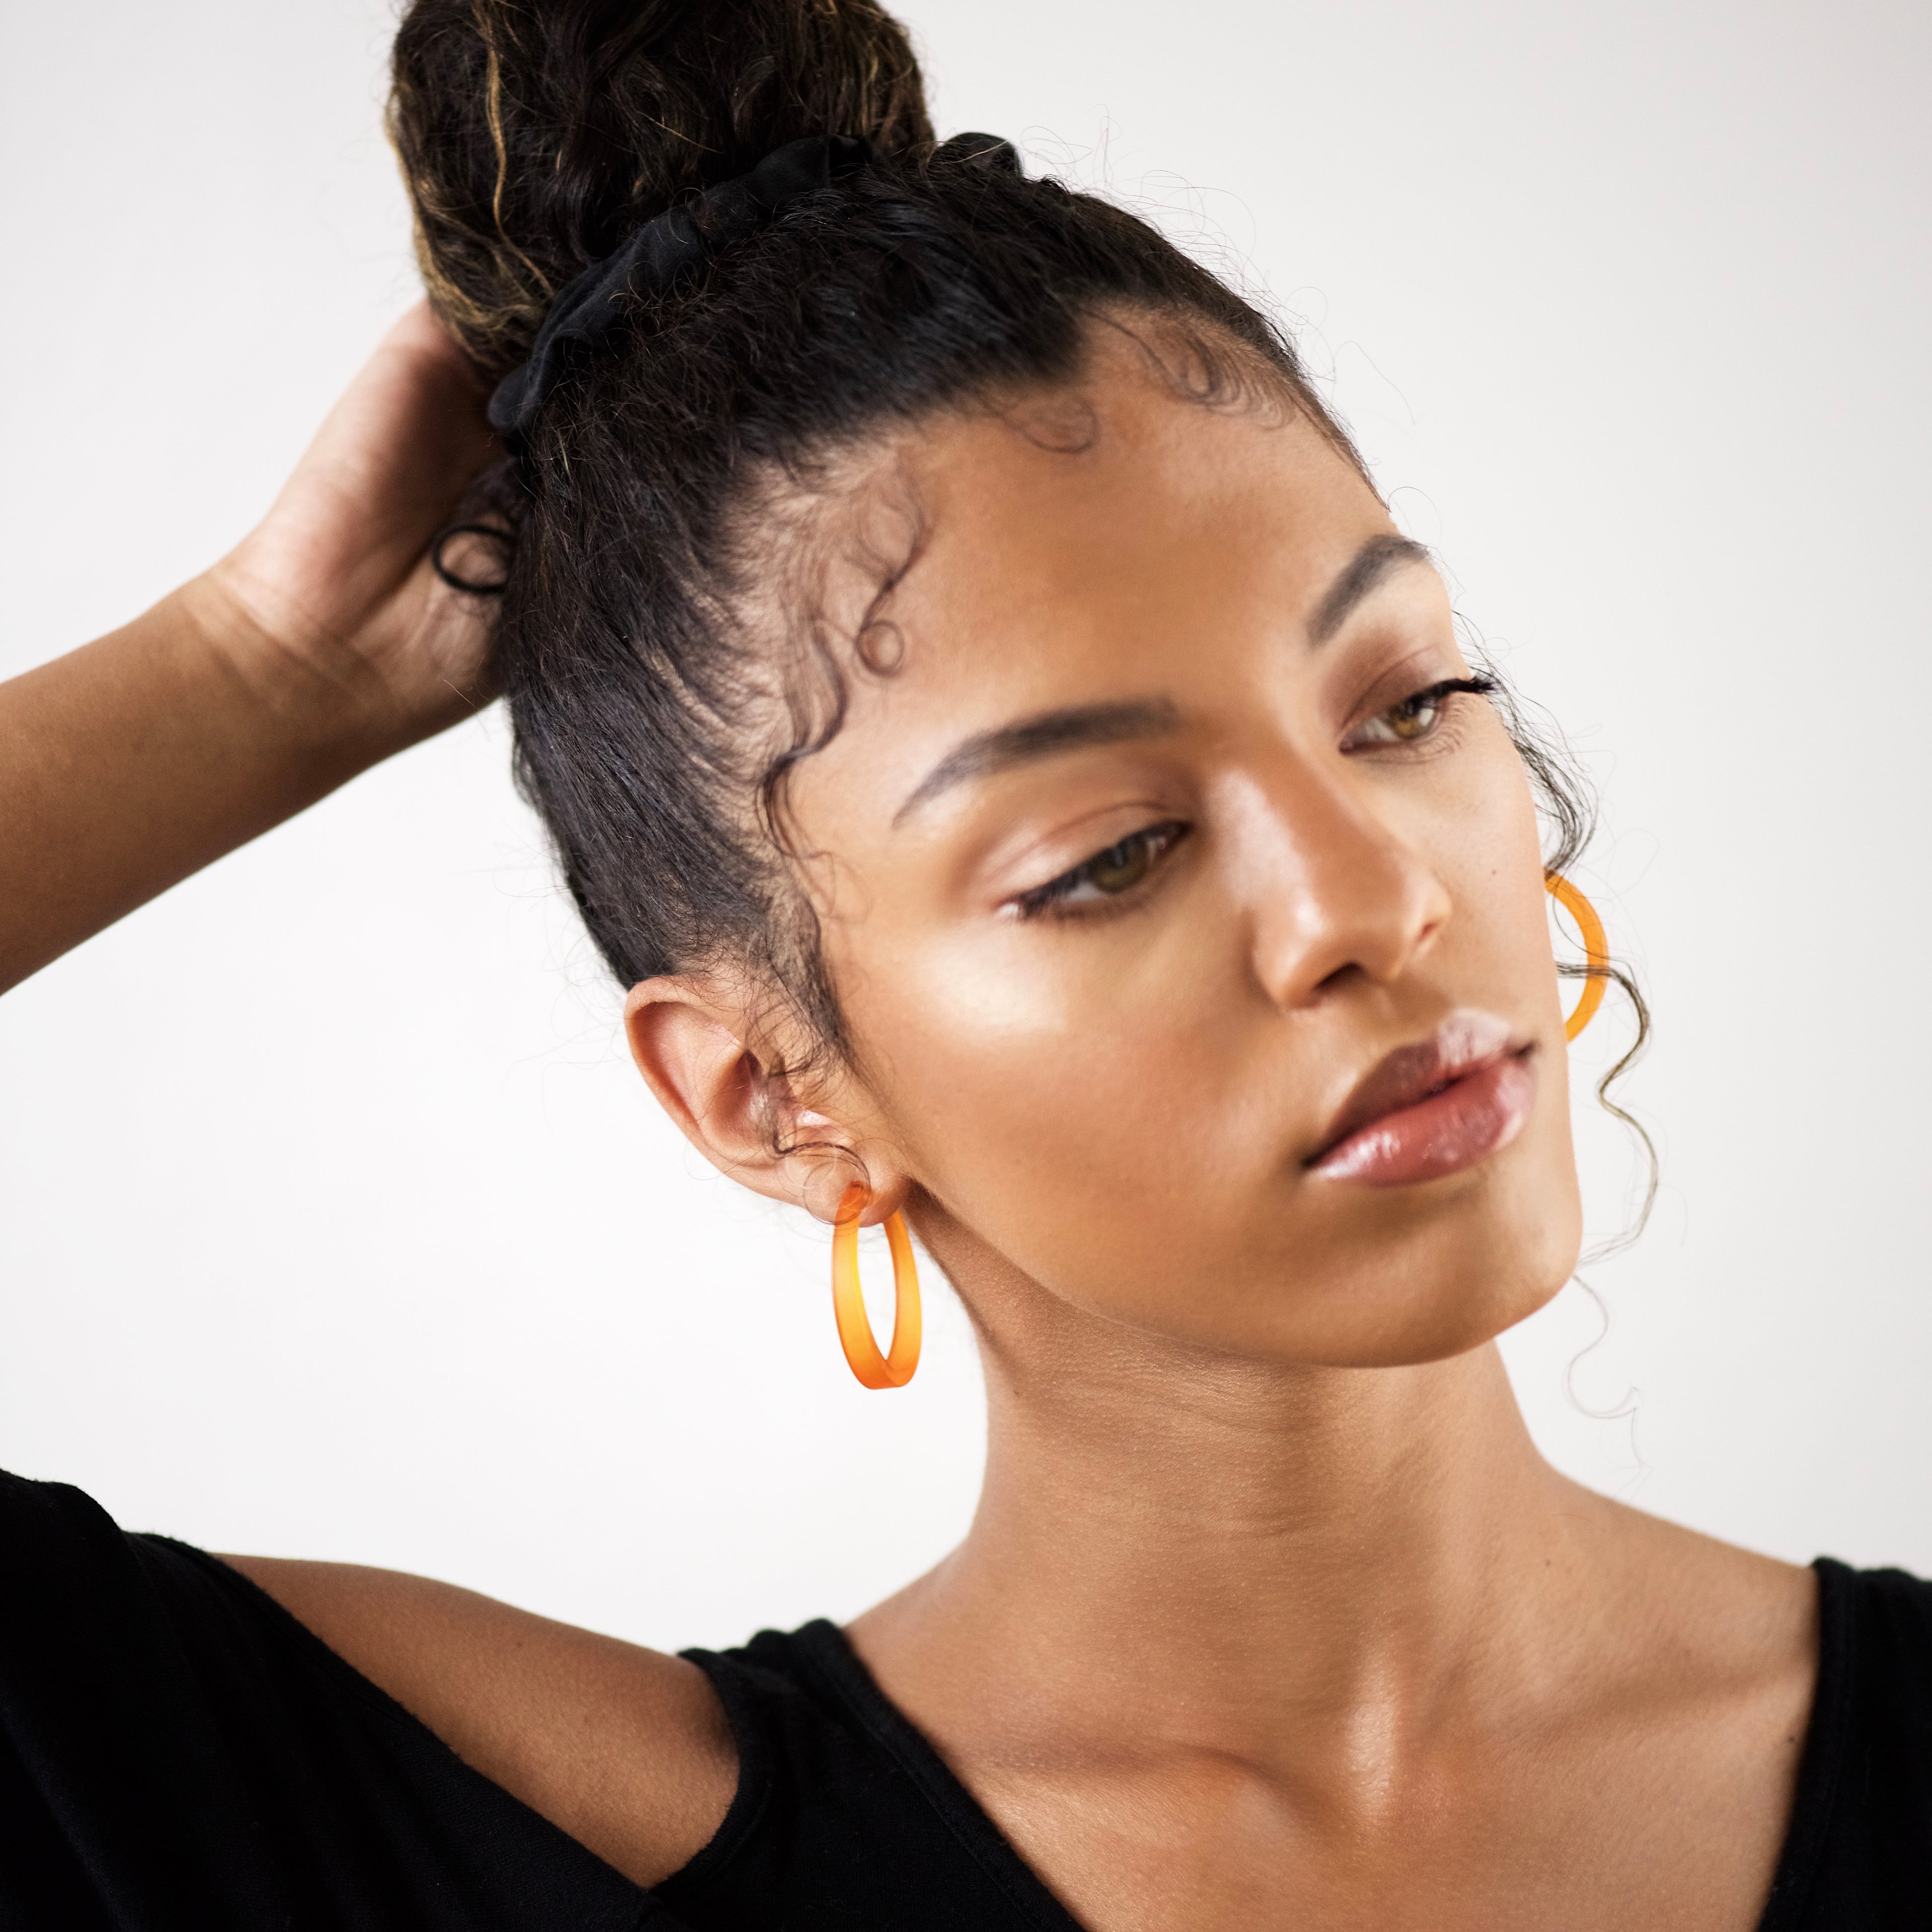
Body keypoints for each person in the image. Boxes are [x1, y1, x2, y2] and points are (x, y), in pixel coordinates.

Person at [1, 0, 1925, 1925]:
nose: (1374, 900)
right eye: (1113, 855)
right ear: (769, 1096)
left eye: (1406, 704)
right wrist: (254, 668)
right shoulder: (515, 1849)